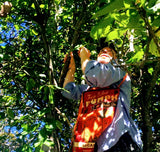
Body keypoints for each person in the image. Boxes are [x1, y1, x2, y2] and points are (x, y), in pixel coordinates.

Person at [62, 45, 142, 152]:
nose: (105, 51)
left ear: (115, 59)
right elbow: (68, 91)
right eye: (101, 51)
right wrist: (71, 69)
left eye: (110, 52)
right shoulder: (89, 89)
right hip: (96, 146)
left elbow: (95, 75)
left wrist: (84, 57)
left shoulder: (119, 71)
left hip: (120, 139)